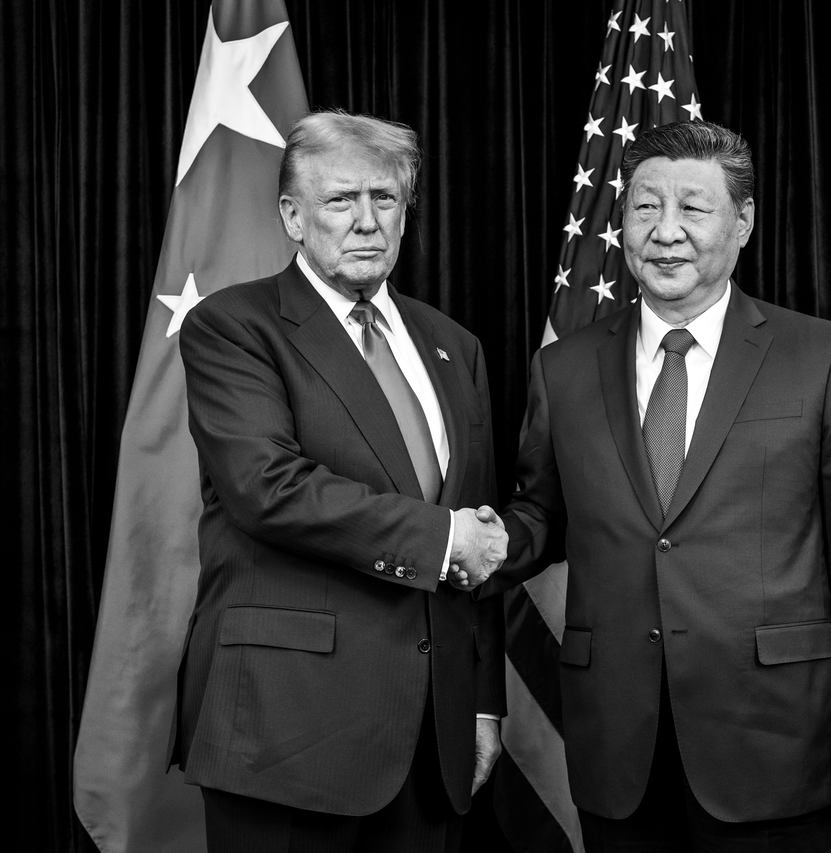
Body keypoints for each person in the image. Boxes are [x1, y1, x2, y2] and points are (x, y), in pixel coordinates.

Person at [461, 121, 831, 852]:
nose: (665, 231)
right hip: (616, 736)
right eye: (644, 208)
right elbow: (544, 512)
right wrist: (480, 541)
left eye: (692, 209)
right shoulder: (564, 368)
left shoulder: (823, 355)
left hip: (773, 734)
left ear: (743, 222)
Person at [169, 111, 508, 853]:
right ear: (292, 216)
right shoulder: (234, 327)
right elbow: (270, 487)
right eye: (339, 201)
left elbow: (475, 543)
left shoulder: (456, 347)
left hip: (430, 741)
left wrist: (482, 704)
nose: (366, 221)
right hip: (286, 732)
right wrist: (445, 536)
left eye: (384, 199)